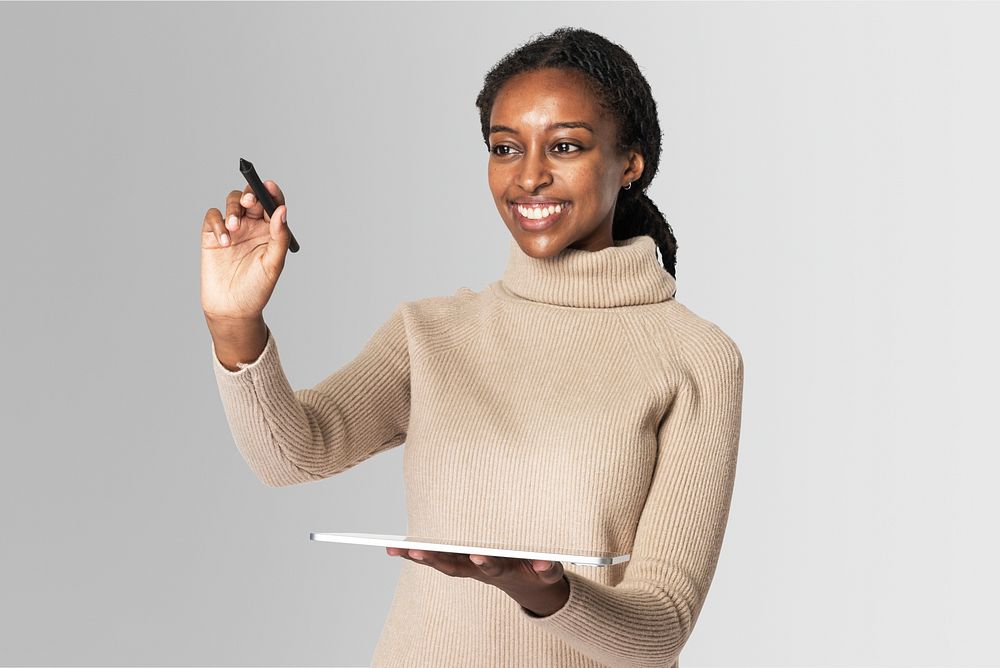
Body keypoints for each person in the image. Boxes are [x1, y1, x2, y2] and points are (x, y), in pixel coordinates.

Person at [201, 27, 744, 668]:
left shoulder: (695, 357)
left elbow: (660, 631)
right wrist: (234, 322)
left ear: (631, 163)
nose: (530, 177)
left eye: (565, 145)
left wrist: (543, 592)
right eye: (505, 148)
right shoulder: (432, 332)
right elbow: (292, 455)